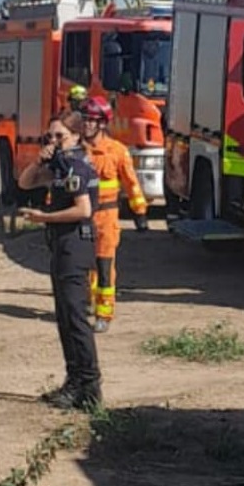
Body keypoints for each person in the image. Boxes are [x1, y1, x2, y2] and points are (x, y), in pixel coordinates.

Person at [15, 110, 102, 410]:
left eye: (59, 136)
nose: (53, 141)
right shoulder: (60, 166)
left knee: (76, 319)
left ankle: (90, 386)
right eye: (49, 136)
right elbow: (25, 183)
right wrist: (40, 159)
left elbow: (83, 210)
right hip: (61, 245)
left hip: (75, 245)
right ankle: (74, 381)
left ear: (77, 136)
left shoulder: (76, 165)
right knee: (64, 317)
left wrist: (44, 217)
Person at [79, 95, 148, 333]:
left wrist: (139, 211)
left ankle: (104, 313)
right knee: (84, 265)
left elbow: (131, 183)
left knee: (104, 266)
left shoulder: (117, 151)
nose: (86, 124)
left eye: (91, 120)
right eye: (84, 119)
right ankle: (89, 300)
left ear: (102, 123)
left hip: (107, 218)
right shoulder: (77, 151)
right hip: (82, 216)